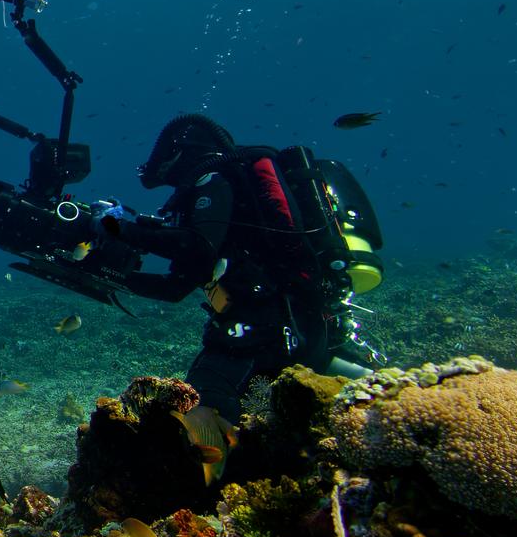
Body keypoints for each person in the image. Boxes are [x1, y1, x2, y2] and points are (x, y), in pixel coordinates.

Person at [85, 113, 373, 417]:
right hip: (292, 326)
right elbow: (175, 287)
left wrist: (116, 229)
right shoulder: (227, 199)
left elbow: (197, 245)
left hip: (264, 332)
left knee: (199, 416)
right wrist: (106, 274)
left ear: (181, 151)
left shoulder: (213, 181)